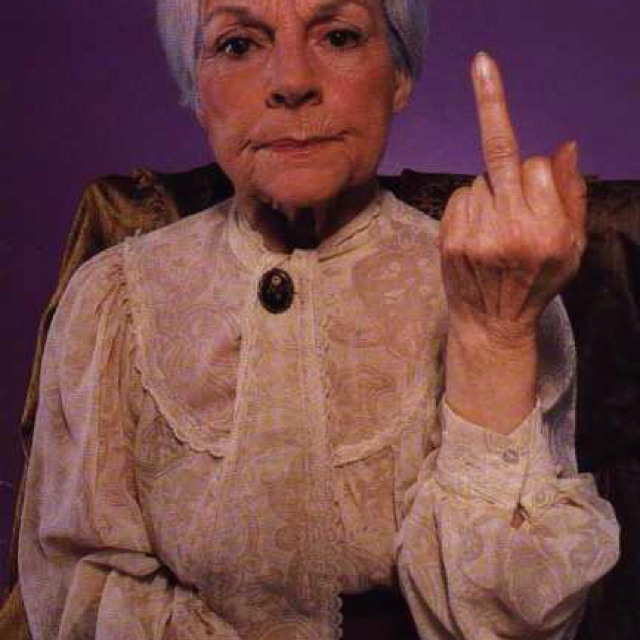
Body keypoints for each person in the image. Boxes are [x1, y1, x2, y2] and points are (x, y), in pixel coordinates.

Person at [18, 0, 620, 638]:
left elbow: (511, 621)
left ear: (400, 75)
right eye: (239, 45)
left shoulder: (498, 283)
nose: (292, 81)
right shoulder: (113, 299)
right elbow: (80, 588)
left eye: (337, 36)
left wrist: (492, 336)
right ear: (195, 91)